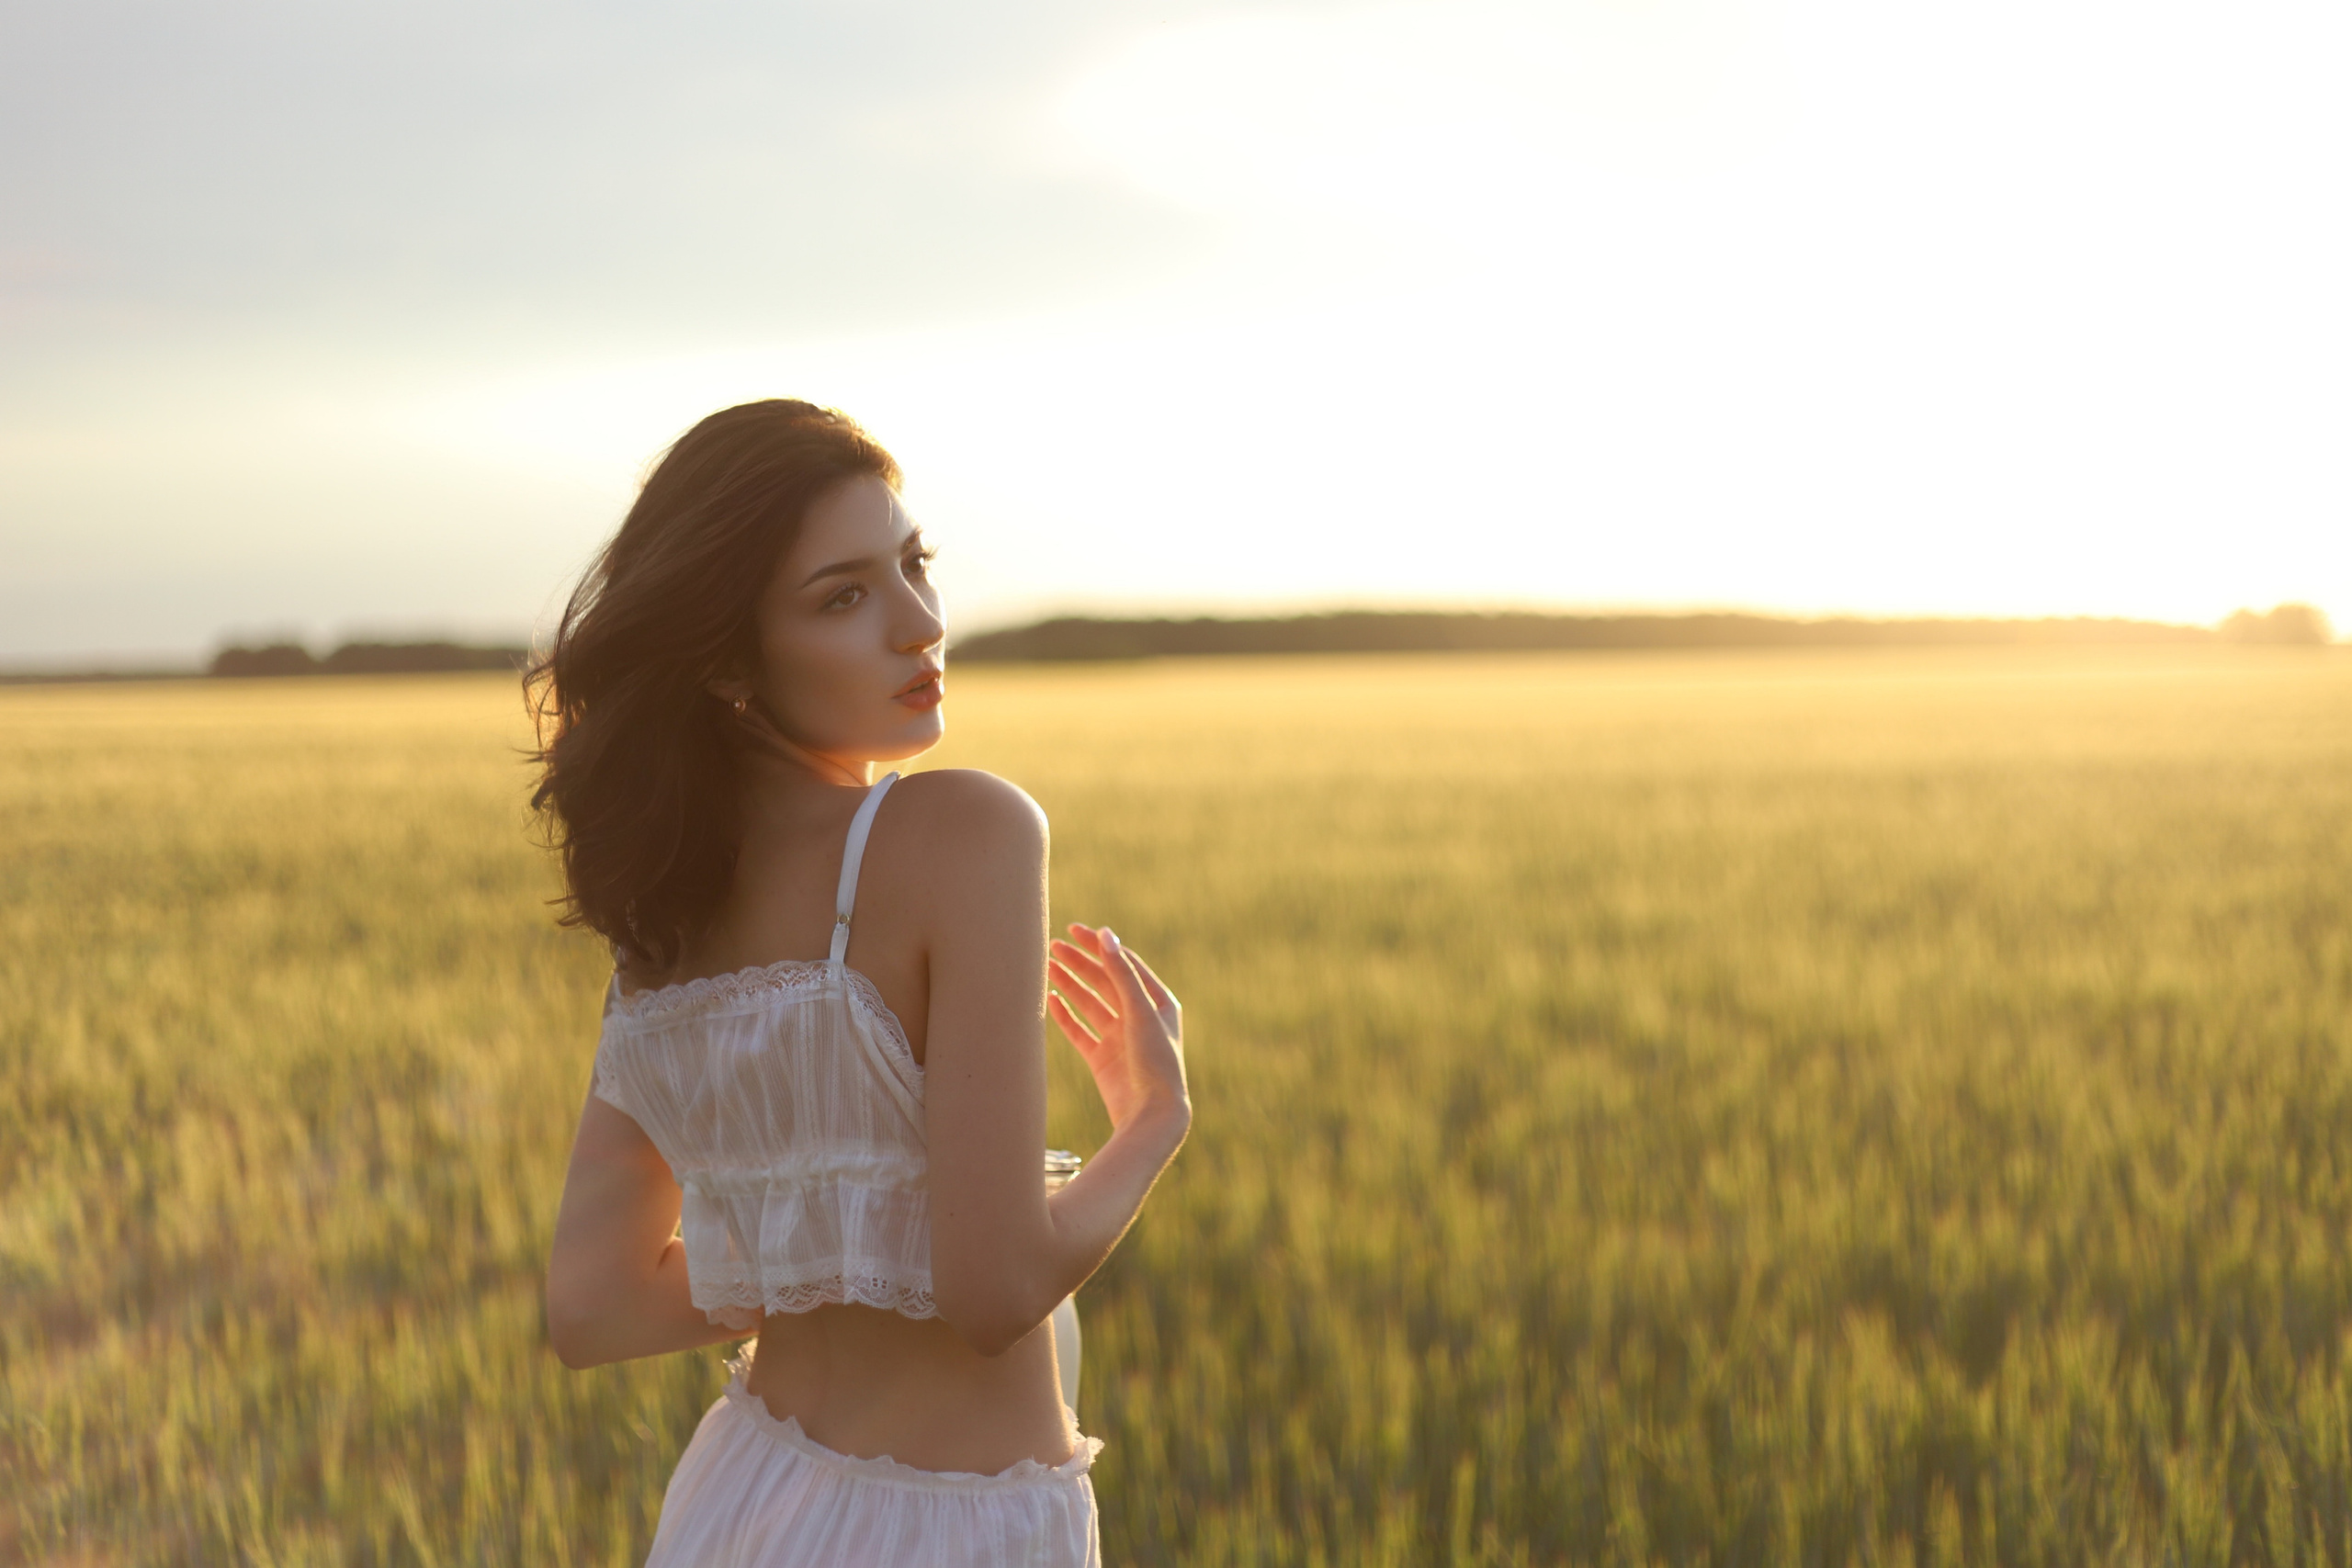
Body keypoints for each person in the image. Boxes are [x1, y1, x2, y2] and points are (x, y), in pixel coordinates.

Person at [528, 400, 1192, 1565]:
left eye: (913, 565)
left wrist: (826, 1247)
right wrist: (1151, 1124)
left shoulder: (663, 925)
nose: (920, 624)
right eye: (845, 597)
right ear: (728, 662)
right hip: (950, 1537)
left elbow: (593, 1307)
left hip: (741, 1501)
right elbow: (992, 1294)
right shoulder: (963, 830)